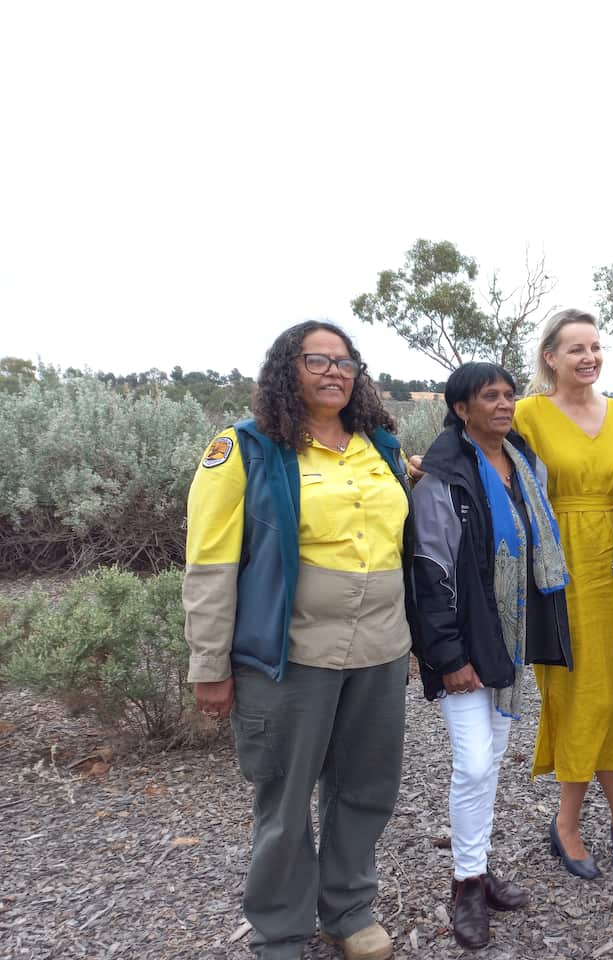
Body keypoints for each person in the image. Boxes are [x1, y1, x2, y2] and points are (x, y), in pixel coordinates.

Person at [184, 321, 413, 960]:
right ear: (289, 369)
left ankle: (348, 911)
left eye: (345, 362)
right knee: (284, 797)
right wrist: (209, 662)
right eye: (318, 360)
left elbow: (401, 539)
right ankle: (281, 929)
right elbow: (209, 564)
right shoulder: (246, 450)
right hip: (290, 657)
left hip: (381, 650)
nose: (334, 372)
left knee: (367, 788)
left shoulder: (382, 447)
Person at [411, 362, 572, 948]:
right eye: (489, 397)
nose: (504, 404)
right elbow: (431, 573)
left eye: (509, 394)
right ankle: (464, 886)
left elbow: (536, 550)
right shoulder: (443, 478)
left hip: (509, 643)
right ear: (461, 409)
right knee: (475, 763)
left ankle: (476, 870)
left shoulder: (527, 467)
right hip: (465, 646)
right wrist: (450, 657)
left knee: (492, 762)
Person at [514, 309, 613, 880]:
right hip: (558, 572)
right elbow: (483, 459)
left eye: (595, 347)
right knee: (583, 696)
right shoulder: (526, 413)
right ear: (550, 356)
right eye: (576, 348)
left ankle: (575, 819)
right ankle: (609, 819)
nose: (589, 357)